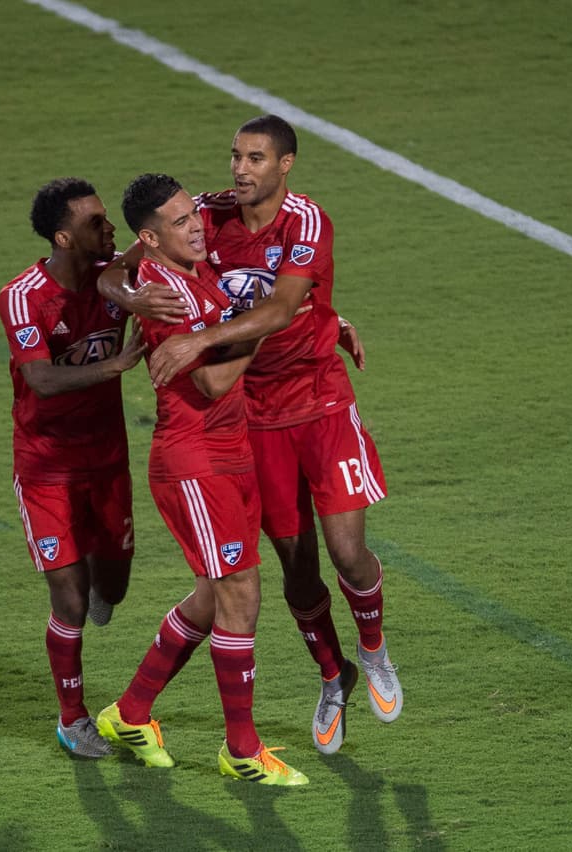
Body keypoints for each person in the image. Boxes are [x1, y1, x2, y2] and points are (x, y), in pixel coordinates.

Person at [100, 115, 401, 757]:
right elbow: (113, 269)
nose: (240, 169)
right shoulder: (206, 214)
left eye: (255, 158)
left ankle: (373, 649)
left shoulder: (306, 222)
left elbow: (282, 306)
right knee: (294, 566)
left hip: (319, 398)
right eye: (235, 156)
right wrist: (132, 303)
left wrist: (201, 337)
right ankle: (332, 675)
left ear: (284, 165)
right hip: (253, 413)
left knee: (347, 550)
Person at [95, 173, 307, 786]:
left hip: (231, 451)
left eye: (195, 215)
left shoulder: (192, 267)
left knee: (216, 599)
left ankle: (130, 714)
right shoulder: (165, 295)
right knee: (241, 595)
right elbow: (212, 382)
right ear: (150, 238)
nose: (197, 227)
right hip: (195, 461)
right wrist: (274, 323)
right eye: (182, 221)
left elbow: (118, 275)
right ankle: (241, 750)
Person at [0, 177, 147, 759]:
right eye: (95, 223)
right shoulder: (24, 296)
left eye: (107, 220)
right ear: (63, 236)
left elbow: (163, 237)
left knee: (114, 585)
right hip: (47, 468)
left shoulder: (115, 276)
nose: (109, 229)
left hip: (108, 460)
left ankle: (100, 578)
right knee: (71, 602)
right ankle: (72, 718)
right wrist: (115, 368)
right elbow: (40, 377)